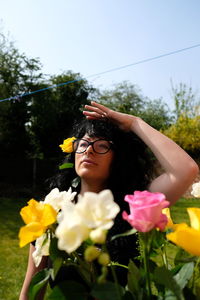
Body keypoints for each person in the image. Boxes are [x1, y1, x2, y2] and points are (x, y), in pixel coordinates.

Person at [19, 101, 199, 299]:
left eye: (102, 145)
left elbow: (185, 170)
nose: (89, 150)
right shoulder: (51, 212)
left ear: (118, 158)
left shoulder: (134, 207)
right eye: (83, 144)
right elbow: (31, 290)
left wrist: (134, 123)